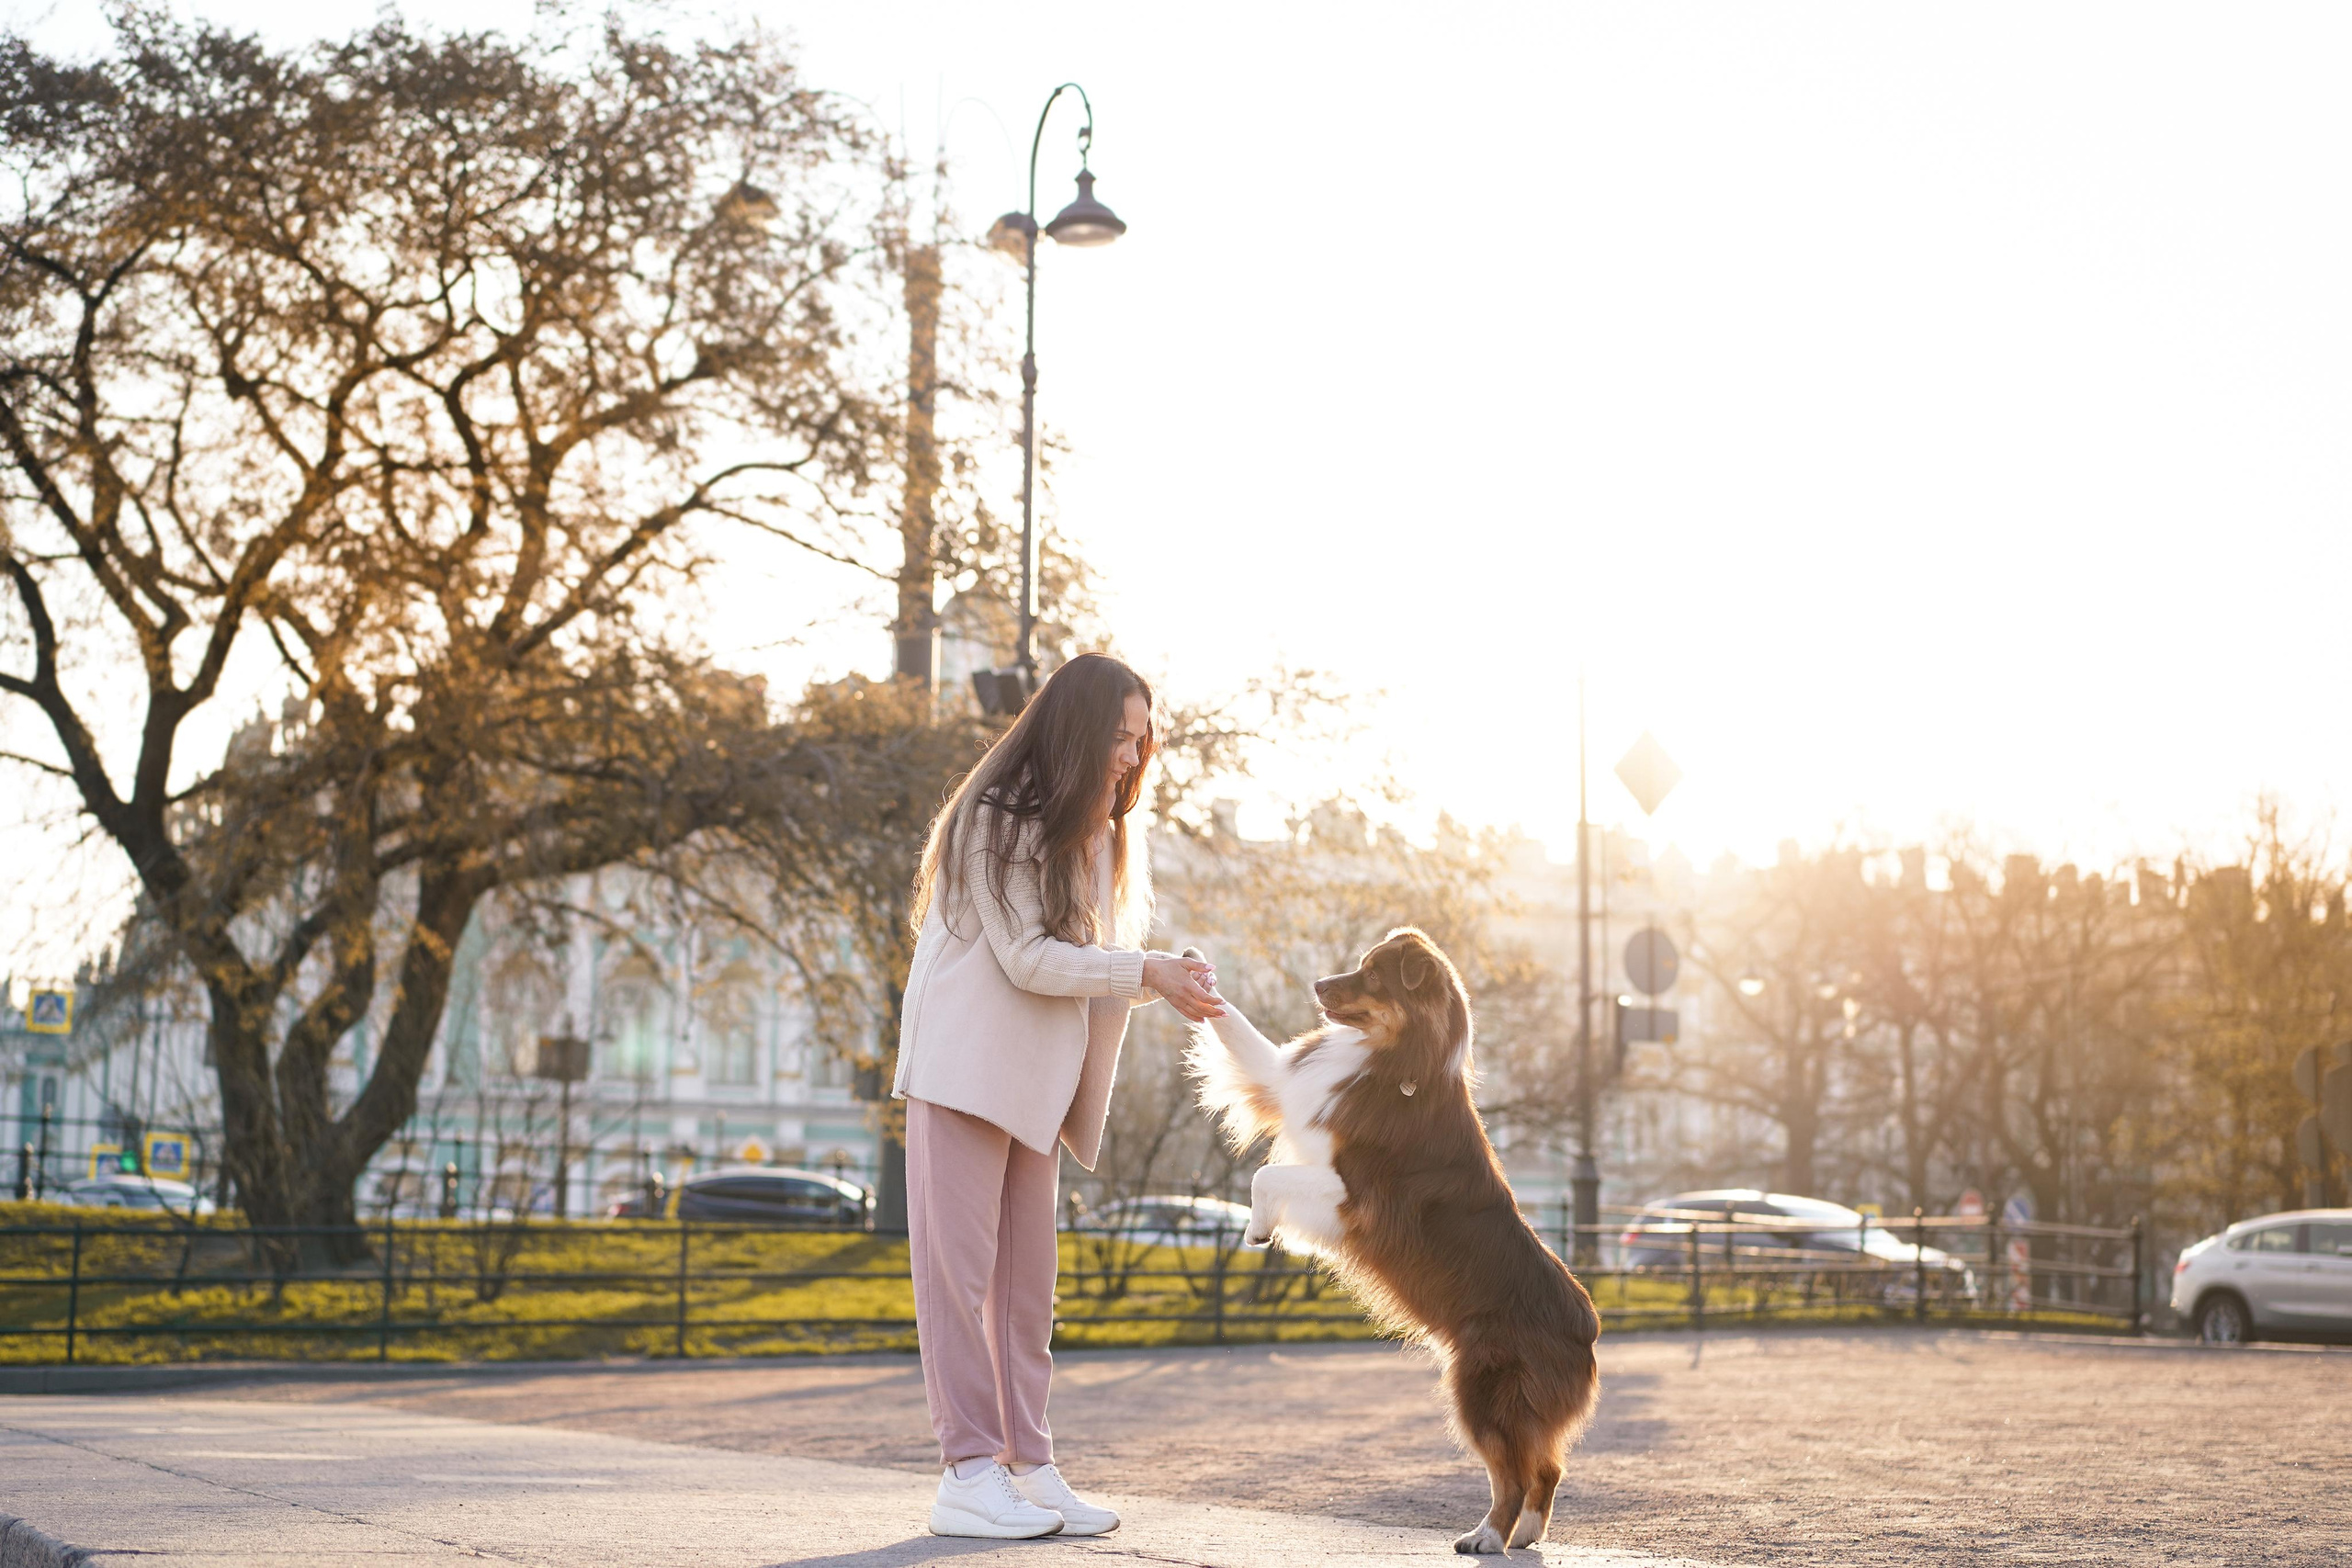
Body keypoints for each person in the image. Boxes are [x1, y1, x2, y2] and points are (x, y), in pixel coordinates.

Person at [895, 652, 1224, 1540]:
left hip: (1035, 1086)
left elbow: (1094, 963)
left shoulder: (1102, 833)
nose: (1132, 755)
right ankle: (967, 1470)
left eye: (1141, 739)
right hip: (964, 1071)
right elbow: (1029, 958)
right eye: (1119, 736)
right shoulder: (995, 818)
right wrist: (1145, 970)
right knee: (959, 1280)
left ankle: (1029, 1467)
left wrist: (1164, 972)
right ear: (1077, 730)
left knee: (1025, 1292)